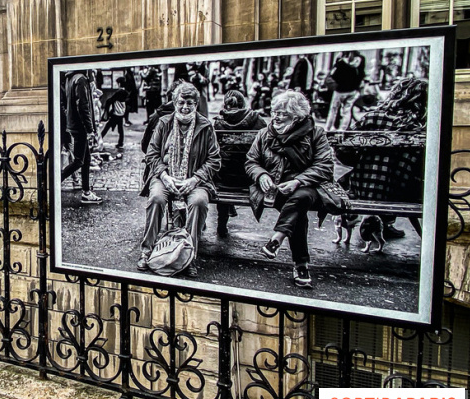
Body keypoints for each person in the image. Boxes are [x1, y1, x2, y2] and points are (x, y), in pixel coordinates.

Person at [245, 91, 334, 288]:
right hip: (274, 187)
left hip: (307, 186)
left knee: (300, 199)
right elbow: (251, 161)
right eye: (274, 112)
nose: (276, 117)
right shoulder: (265, 134)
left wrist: (298, 181)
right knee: (296, 209)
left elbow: (324, 166)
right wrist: (261, 175)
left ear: (297, 116)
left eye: (282, 114)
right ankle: (300, 265)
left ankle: (277, 239)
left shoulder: (316, 134)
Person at [138, 82, 221, 276]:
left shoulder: (205, 126)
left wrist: (195, 179)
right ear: (175, 102)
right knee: (157, 198)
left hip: (195, 179)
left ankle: (189, 255)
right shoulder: (164, 123)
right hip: (165, 176)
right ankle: (147, 250)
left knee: (199, 202)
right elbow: (151, 154)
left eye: (190, 103)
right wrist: (164, 176)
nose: (185, 107)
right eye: (181, 102)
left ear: (196, 104)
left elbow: (214, 159)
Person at [337, 78, 428, 239]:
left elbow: (343, 149)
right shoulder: (422, 125)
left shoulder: (373, 117)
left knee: (356, 176)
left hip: (361, 186)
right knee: (400, 177)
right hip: (399, 191)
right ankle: (384, 223)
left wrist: (361, 161)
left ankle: (371, 221)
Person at [212, 90, 266, 237]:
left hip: (224, 180)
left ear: (225, 105)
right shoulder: (258, 120)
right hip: (249, 178)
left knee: (224, 169)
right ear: (244, 103)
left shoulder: (218, 123)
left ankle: (222, 224)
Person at [61, 71, 103, 204]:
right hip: (80, 127)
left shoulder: (71, 78)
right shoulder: (80, 80)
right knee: (79, 161)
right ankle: (55, 181)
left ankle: (86, 192)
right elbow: (83, 106)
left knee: (86, 159)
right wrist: (89, 129)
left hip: (75, 124)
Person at [325, 51, 366, 131]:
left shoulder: (341, 62)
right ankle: (342, 129)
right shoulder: (360, 61)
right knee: (347, 111)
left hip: (340, 90)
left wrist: (337, 60)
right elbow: (361, 75)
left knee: (333, 110)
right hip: (352, 90)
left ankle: (328, 128)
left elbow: (334, 75)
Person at [101, 78, 128, 149]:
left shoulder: (119, 92)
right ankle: (120, 142)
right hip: (121, 113)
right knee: (120, 128)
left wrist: (107, 111)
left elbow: (110, 100)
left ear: (119, 84)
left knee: (107, 126)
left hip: (116, 113)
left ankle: (99, 138)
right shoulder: (125, 92)